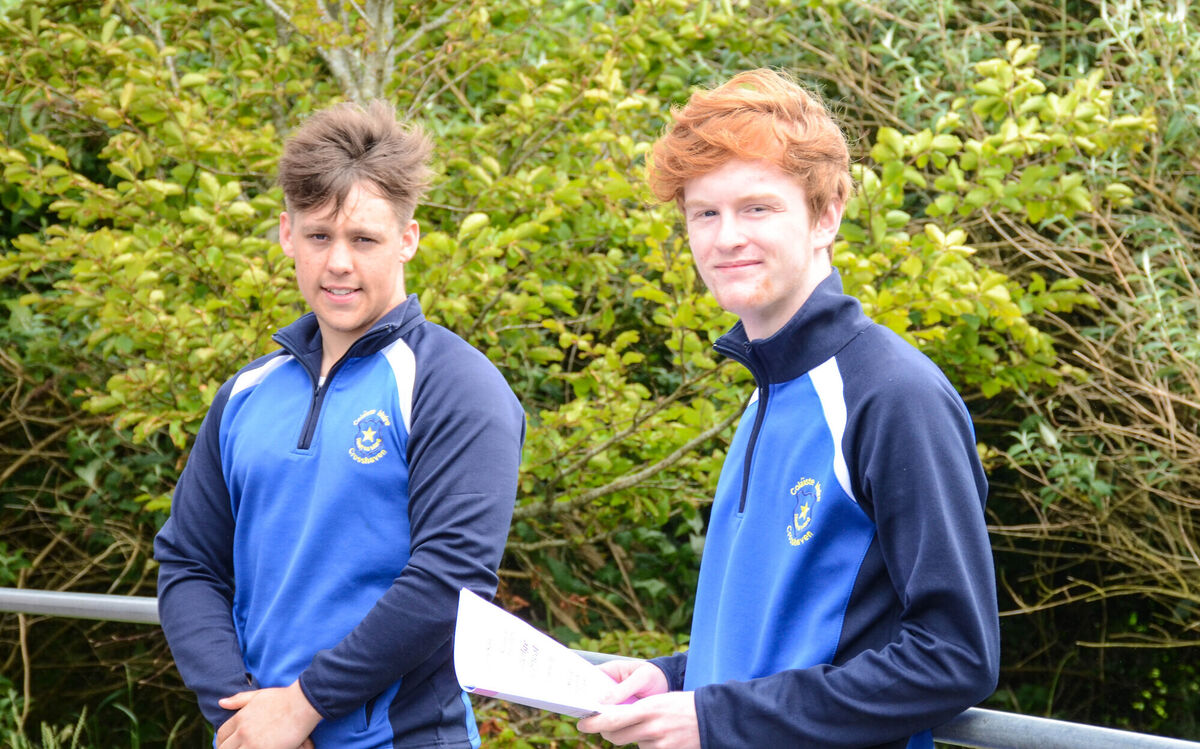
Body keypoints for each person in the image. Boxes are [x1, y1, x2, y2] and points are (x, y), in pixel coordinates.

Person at [578, 69, 1000, 749]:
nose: (725, 238)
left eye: (757, 208)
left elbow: (956, 655)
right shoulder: (767, 394)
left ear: (825, 214)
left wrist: (717, 717)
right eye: (703, 213)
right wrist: (675, 680)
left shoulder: (893, 396)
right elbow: (787, 644)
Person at [154, 100, 525, 749]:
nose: (339, 264)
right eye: (320, 236)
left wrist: (304, 704)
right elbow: (189, 564)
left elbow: (450, 578)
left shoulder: (455, 386)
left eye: (364, 239)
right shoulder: (246, 393)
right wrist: (243, 714)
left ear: (407, 239)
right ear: (286, 234)